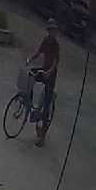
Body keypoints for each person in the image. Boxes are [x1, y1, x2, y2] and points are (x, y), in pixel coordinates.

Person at [26, 18, 61, 146]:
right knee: (31, 75)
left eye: (53, 30)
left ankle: (42, 136)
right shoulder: (45, 40)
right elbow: (39, 51)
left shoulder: (56, 45)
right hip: (43, 70)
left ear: (55, 32)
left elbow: (56, 63)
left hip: (51, 76)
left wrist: (49, 72)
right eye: (50, 30)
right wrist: (30, 59)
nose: (51, 33)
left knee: (46, 107)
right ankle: (28, 100)